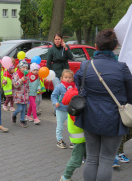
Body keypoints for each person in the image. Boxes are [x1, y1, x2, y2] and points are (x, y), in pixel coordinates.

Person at [74, 29, 132, 181]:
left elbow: (78, 84)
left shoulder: (85, 65)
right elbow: (130, 95)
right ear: (114, 48)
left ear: (95, 46)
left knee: (92, 158)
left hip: (89, 117)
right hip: (113, 120)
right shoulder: (122, 68)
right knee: (106, 160)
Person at [60, 87, 86, 181]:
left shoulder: (72, 108)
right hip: (80, 139)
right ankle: (66, 177)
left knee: (89, 159)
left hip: (82, 138)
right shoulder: (75, 111)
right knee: (76, 160)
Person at [51, 69, 76, 149]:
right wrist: (55, 103)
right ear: (62, 78)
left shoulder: (74, 87)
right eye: (66, 77)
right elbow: (53, 96)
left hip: (71, 110)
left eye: (69, 77)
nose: (68, 79)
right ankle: (59, 140)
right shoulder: (59, 87)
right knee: (60, 126)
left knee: (71, 127)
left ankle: (73, 141)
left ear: (72, 79)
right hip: (60, 109)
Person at [11, 60, 29, 128]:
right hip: (18, 95)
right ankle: (14, 115)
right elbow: (15, 85)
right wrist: (21, 80)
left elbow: (27, 85)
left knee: (24, 109)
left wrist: (28, 92)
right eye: (23, 67)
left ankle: (22, 120)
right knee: (20, 108)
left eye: (26, 67)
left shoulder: (27, 75)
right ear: (20, 67)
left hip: (25, 95)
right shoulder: (16, 74)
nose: (24, 69)